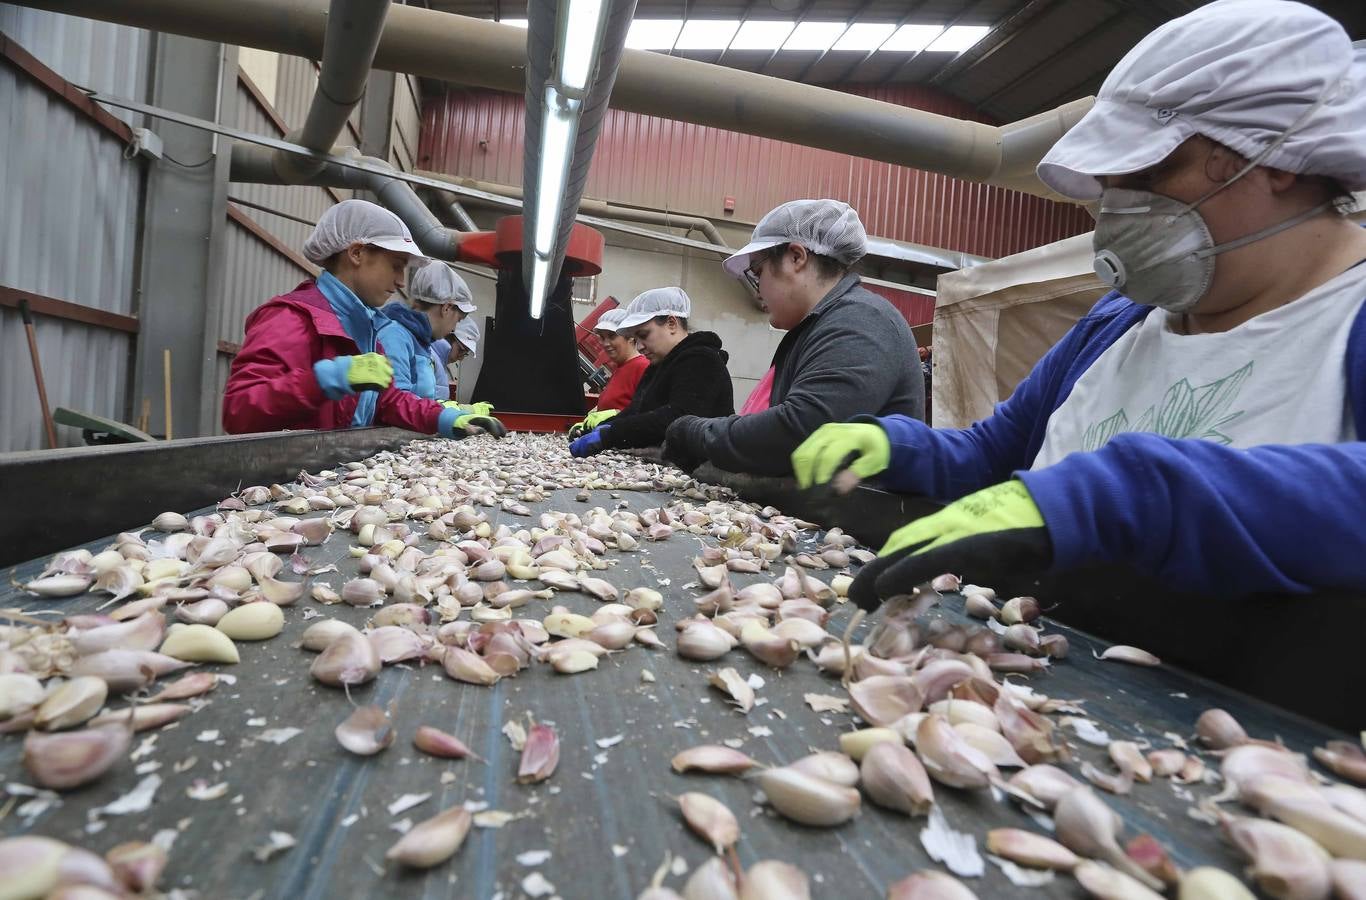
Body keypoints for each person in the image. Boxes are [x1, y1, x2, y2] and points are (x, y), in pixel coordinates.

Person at [790, 0, 1366, 608]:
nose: (1116, 210)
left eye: (1146, 174)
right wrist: (899, 447)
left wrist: (1118, 494)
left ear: (1272, 158)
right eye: (1109, 186)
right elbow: (995, 453)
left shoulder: (1346, 322)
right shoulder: (1120, 319)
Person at [662, 199, 924, 475]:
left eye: (757, 272)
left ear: (796, 257)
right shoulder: (821, 324)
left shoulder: (863, 321)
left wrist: (695, 432)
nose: (758, 287)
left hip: (859, 512)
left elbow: (799, 432)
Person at [222, 199, 468, 438]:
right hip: (286, 476)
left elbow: (387, 400)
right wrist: (325, 379)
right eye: (395, 265)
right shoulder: (291, 319)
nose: (401, 281)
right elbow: (239, 411)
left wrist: (444, 418)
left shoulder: (367, 328)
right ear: (357, 253)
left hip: (331, 472)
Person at [569, 288, 733, 457]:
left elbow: (679, 417)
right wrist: (600, 428)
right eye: (636, 339)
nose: (639, 346)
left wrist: (609, 435)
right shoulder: (658, 367)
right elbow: (636, 411)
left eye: (644, 335)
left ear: (671, 323)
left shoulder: (701, 360)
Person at [376, 263, 503, 434]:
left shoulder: (420, 343)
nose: (452, 329)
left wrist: (452, 413)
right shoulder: (395, 337)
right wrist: (448, 418)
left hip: (410, 436)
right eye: (458, 320)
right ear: (447, 308)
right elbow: (393, 404)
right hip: (390, 441)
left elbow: (422, 400)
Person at [568, 307, 650, 438]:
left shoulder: (643, 367)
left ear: (630, 336)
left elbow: (647, 413)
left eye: (612, 336)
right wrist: (586, 426)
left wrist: (616, 414)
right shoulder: (621, 368)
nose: (605, 343)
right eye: (602, 337)